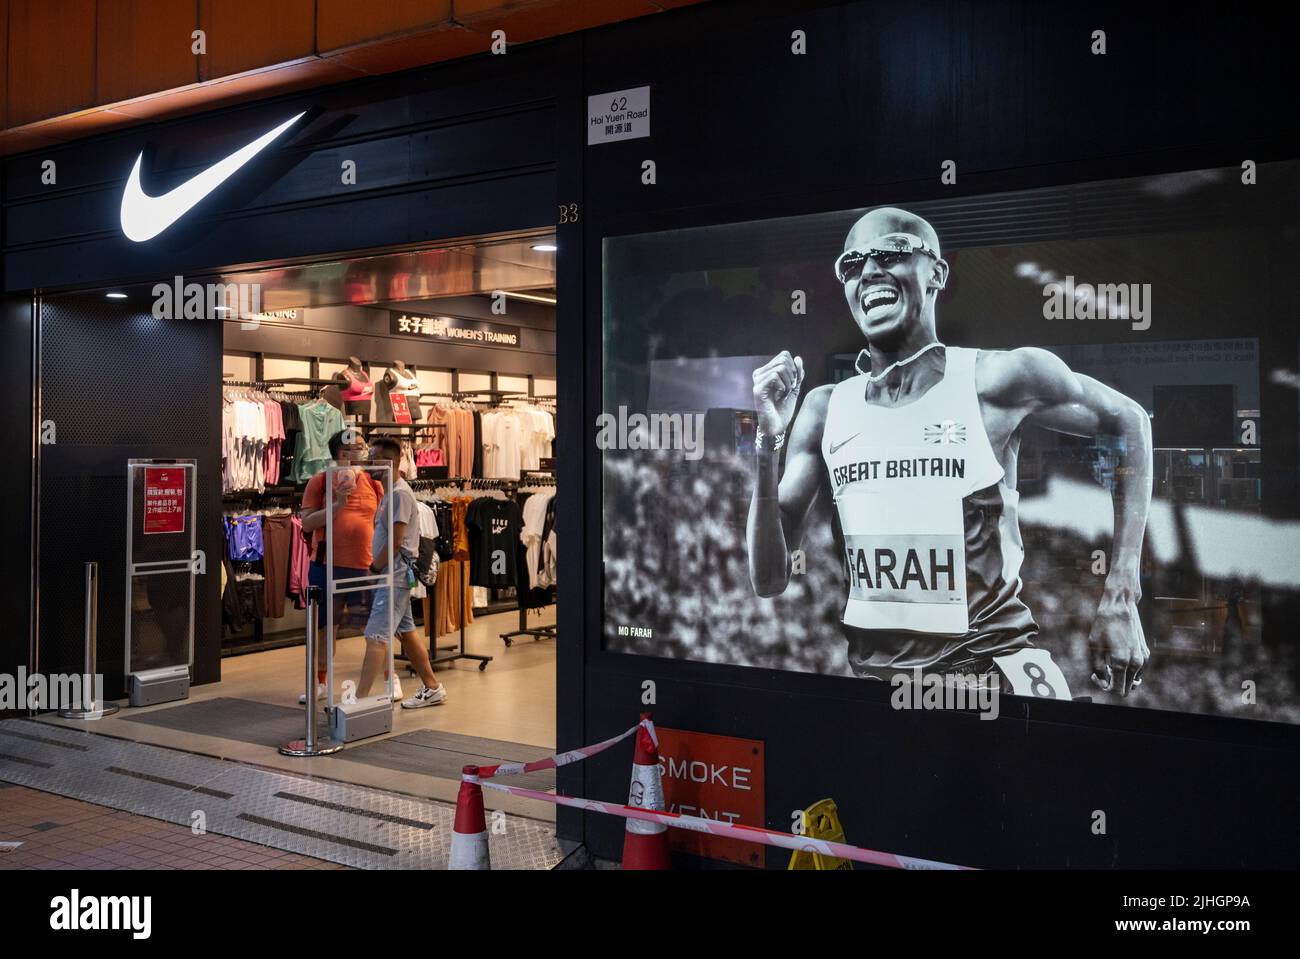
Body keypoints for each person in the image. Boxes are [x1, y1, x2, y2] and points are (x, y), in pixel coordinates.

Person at [747, 207, 1153, 697]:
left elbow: (1128, 421)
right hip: (880, 690)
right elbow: (768, 579)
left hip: (990, 681)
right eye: (851, 264)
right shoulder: (825, 409)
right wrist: (767, 443)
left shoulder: (997, 378)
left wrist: (1121, 592)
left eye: (891, 252)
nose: (870, 270)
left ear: (937, 273)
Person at [356, 436, 446, 708]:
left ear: (392, 462)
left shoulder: (399, 494)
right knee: (405, 631)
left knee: (376, 636)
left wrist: (375, 567)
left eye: (375, 458)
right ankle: (433, 687)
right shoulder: (390, 492)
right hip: (393, 574)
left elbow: (395, 540)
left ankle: (357, 703)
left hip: (393, 575)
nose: (370, 463)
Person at [297, 429, 382, 703]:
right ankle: (320, 682)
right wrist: (337, 504)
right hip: (326, 565)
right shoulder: (320, 482)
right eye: (360, 446)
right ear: (343, 453)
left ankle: (388, 679)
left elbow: (381, 524)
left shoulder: (373, 482)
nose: (365, 449)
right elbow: (307, 523)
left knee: (372, 627)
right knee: (324, 628)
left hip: (365, 567)